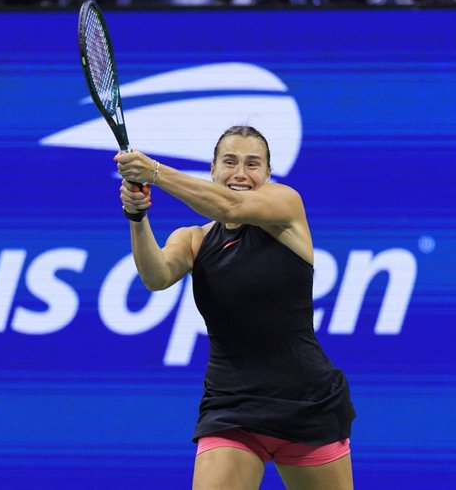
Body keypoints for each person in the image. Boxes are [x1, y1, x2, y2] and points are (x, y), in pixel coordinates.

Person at [115, 126, 356, 490]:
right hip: (232, 407)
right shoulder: (193, 239)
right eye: (230, 162)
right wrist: (138, 218)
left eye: (252, 164)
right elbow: (156, 275)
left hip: (307, 402)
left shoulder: (286, 207)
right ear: (212, 169)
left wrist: (154, 172)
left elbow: (231, 205)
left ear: (268, 175)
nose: (240, 173)